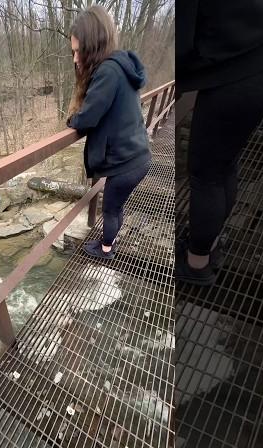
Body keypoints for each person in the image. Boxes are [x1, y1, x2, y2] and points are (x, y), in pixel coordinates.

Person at [175, 0, 263, 285]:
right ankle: (208, 242)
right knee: (224, 160)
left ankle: (197, 264)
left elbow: (180, 42)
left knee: (205, 171)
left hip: (247, 63)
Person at [66, 5, 151, 260]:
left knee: (111, 209)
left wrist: (72, 120)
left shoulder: (108, 72)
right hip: (137, 157)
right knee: (116, 205)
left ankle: (105, 250)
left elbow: (88, 117)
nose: (74, 59)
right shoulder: (120, 67)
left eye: (77, 51)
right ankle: (108, 243)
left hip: (127, 164)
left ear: (92, 45)